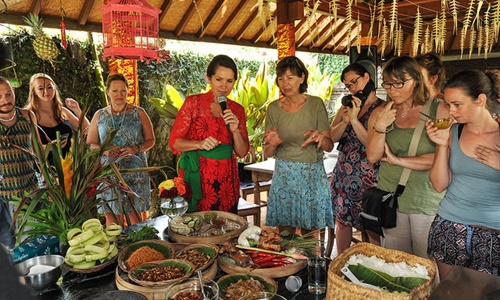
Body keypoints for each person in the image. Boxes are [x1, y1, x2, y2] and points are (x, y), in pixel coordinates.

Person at [366, 56, 448, 258]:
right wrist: (380, 127)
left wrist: (399, 160)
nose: (392, 90)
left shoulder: (439, 109)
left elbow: (445, 157)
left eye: (399, 83)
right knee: (395, 265)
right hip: (390, 200)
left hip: (425, 200)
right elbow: (373, 156)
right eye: (388, 84)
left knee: (426, 267)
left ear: (416, 81)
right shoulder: (381, 112)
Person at [426, 70, 500, 278]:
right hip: (449, 225)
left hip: (493, 232)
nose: (451, 111)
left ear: (481, 100)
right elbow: (439, 185)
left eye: (457, 104)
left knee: (483, 294)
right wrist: (441, 146)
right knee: (450, 292)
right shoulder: (453, 132)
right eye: (449, 105)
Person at [263, 55, 334, 237]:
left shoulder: (315, 104)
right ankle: (289, 265)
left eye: (290, 78)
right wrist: (273, 143)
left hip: (311, 175)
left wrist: (320, 138)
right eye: (281, 79)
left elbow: (329, 146)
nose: (285, 83)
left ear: (302, 78)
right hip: (284, 175)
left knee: (310, 236)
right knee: (285, 234)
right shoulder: (273, 108)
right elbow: (268, 152)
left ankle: (310, 265)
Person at [169, 54, 249, 213]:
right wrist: (198, 144)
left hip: (227, 180)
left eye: (229, 81)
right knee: (197, 226)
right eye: (219, 79)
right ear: (209, 78)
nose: (224, 86)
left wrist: (235, 131)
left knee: (226, 226)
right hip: (198, 176)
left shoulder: (237, 110)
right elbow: (174, 143)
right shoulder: (193, 103)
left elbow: (241, 152)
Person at [330, 63, 385, 254]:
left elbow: (372, 143)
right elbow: (331, 138)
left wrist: (355, 121)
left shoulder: (381, 109)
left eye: (355, 82)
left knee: (371, 227)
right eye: (349, 86)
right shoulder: (345, 108)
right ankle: (341, 262)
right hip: (344, 173)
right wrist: (345, 121)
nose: (353, 88)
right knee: (342, 222)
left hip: (369, 177)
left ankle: (374, 267)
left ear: (367, 77)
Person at [87, 73, 155, 226]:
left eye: (123, 91)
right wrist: (104, 151)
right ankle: (116, 247)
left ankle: (137, 247)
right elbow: (91, 143)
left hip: (135, 171)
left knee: (135, 218)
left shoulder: (139, 113)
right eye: (115, 91)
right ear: (107, 92)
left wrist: (136, 148)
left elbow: (151, 140)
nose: (119, 95)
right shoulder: (100, 115)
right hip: (109, 171)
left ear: (128, 91)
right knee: (112, 219)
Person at [0, 77, 39, 248]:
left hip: (29, 190)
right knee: (7, 244)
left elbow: (38, 150)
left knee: (31, 241)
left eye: (8, 94)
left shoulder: (27, 116)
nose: (5, 100)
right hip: (3, 196)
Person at [25, 73, 89, 157]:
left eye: (49, 87)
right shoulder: (29, 114)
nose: (46, 91)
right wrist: (51, 147)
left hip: (69, 165)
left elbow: (87, 130)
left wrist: (76, 109)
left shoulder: (62, 111)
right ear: (34, 92)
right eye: (40, 88)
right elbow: (29, 149)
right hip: (44, 167)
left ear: (54, 89)